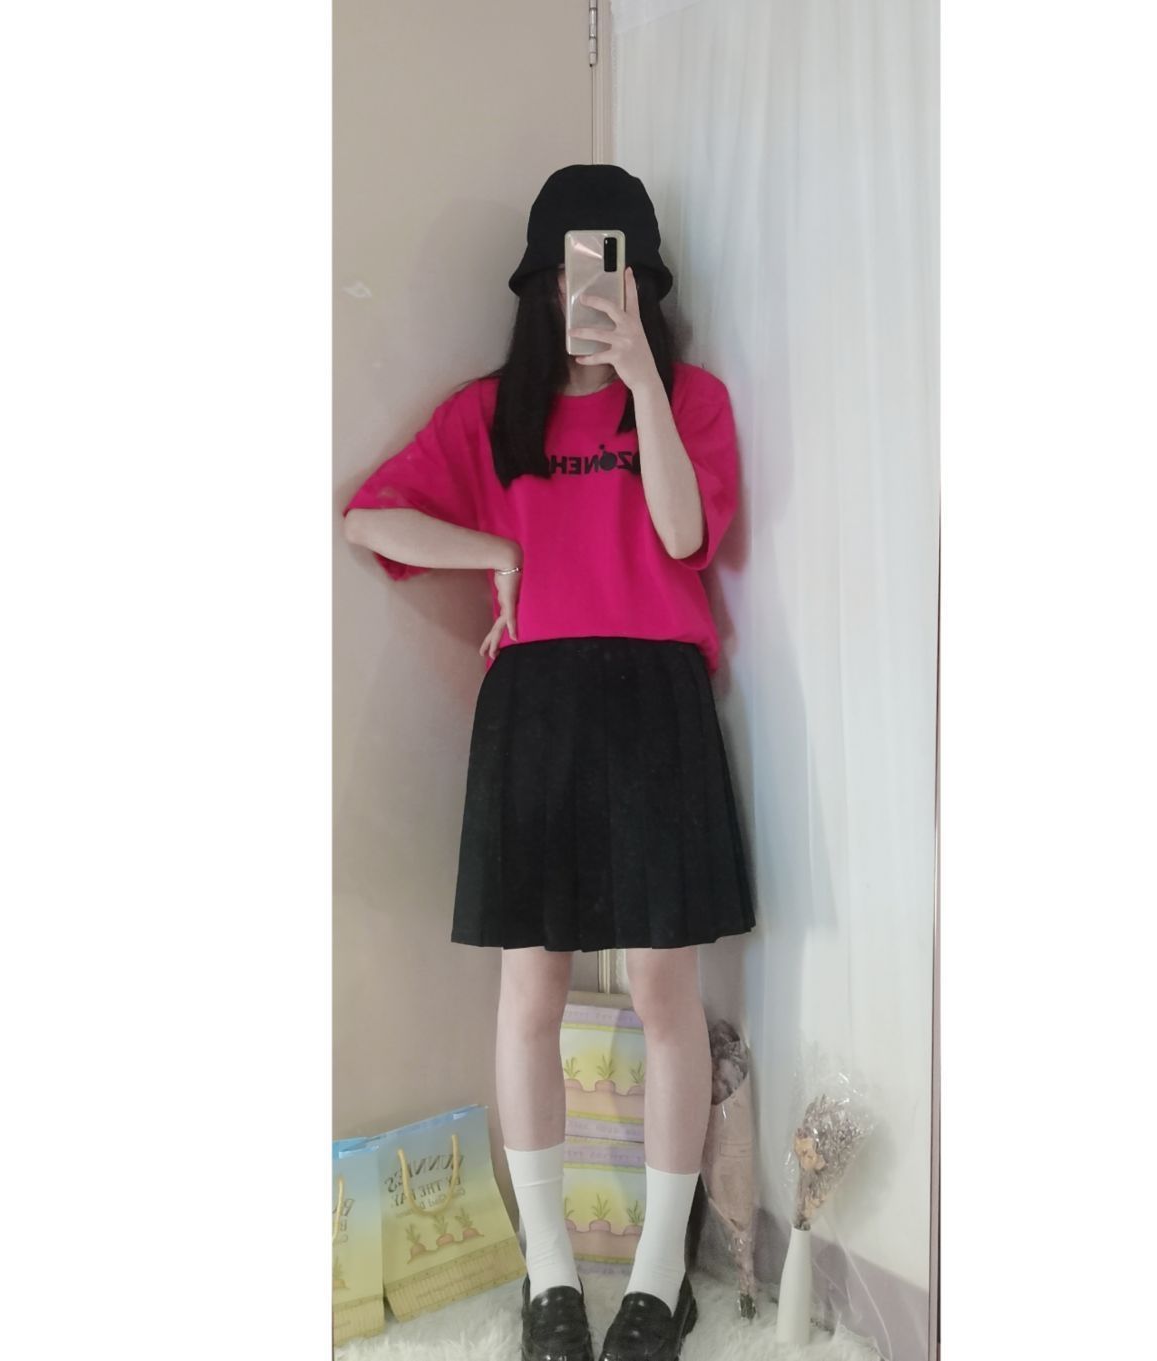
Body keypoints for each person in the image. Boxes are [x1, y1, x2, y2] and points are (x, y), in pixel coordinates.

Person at [341, 164, 756, 1361]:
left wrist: (640, 384)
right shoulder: (492, 416)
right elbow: (368, 517)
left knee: (664, 995)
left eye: (614, 279)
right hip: (536, 708)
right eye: (572, 278)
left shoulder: (690, 401)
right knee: (528, 996)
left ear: (643, 288)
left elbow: (682, 533)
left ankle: (659, 1276)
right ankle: (553, 1277)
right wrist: (495, 553)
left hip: (656, 701)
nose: (589, 298)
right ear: (537, 287)